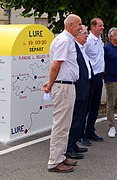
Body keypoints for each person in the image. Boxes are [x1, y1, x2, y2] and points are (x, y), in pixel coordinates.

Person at [42, 14, 82, 173]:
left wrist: (51, 83)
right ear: (70, 25)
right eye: (79, 24)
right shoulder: (64, 40)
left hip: (66, 86)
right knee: (61, 125)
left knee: (65, 125)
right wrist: (50, 84)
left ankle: (61, 156)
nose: (81, 27)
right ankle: (54, 162)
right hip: (63, 87)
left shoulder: (66, 40)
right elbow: (56, 65)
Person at [66, 25, 92, 159]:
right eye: (85, 33)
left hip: (85, 86)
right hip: (78, 88)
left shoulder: (82, 48)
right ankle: (69, 147)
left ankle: (74, 143)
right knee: (75, 118)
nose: (87, 36)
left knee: (81, 117)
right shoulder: (74, 47)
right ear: (77, 35)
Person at [80, 18, 104, 144]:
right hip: (90, 77)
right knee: (86, 106)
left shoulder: (100, 40)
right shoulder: (88, 40)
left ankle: (90, 130)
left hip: (99, 76)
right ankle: (81, 134)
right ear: (93, 27)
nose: (102, 28)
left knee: (95, 105)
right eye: (100, 25)